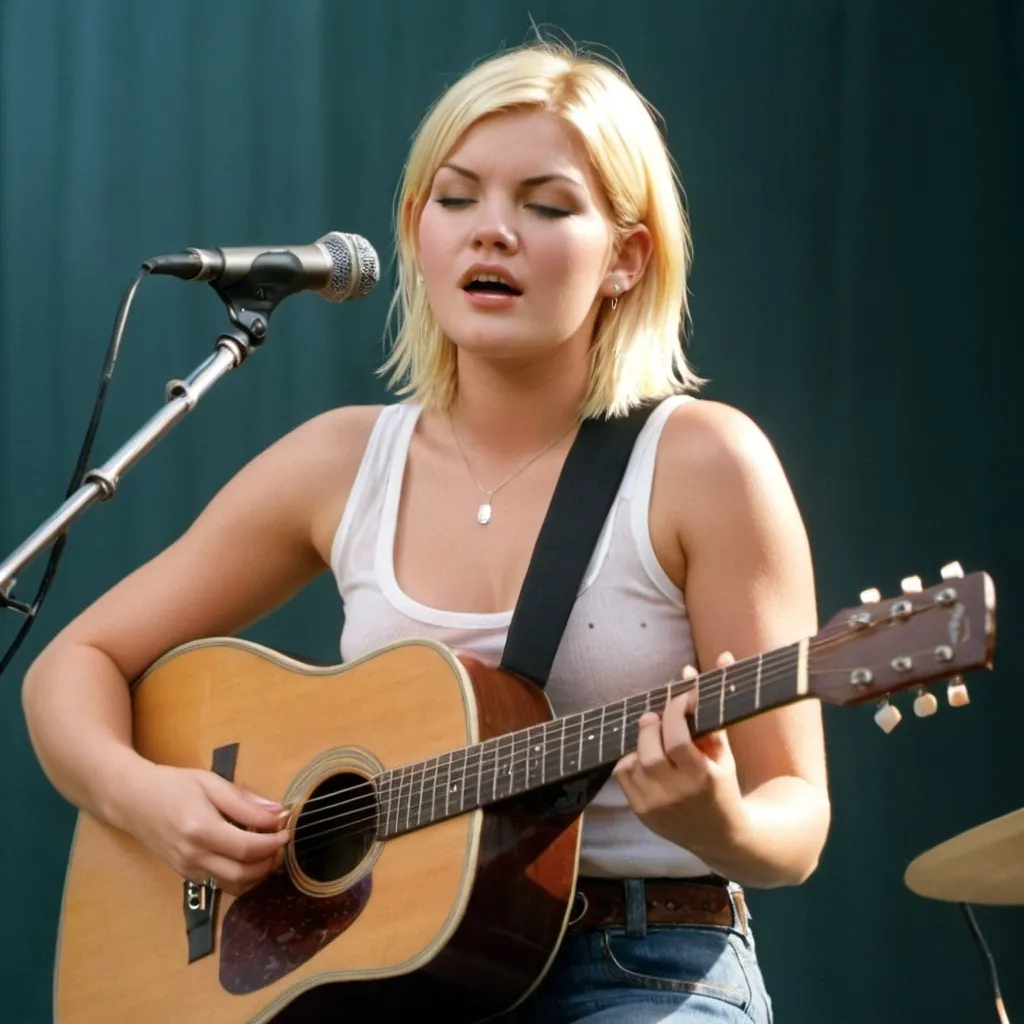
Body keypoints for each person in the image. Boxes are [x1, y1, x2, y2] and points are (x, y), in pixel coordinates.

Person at [23, 39, 829, 1023]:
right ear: (416, 231)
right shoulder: (340, 462)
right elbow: (72, 664)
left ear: (625, 257)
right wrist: (148, 802)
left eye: (545, 204)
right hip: (391, 978)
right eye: (456, 198)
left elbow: (797, 822)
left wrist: (724, 820)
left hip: (641, 962)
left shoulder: (704, 464)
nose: (493, 232)